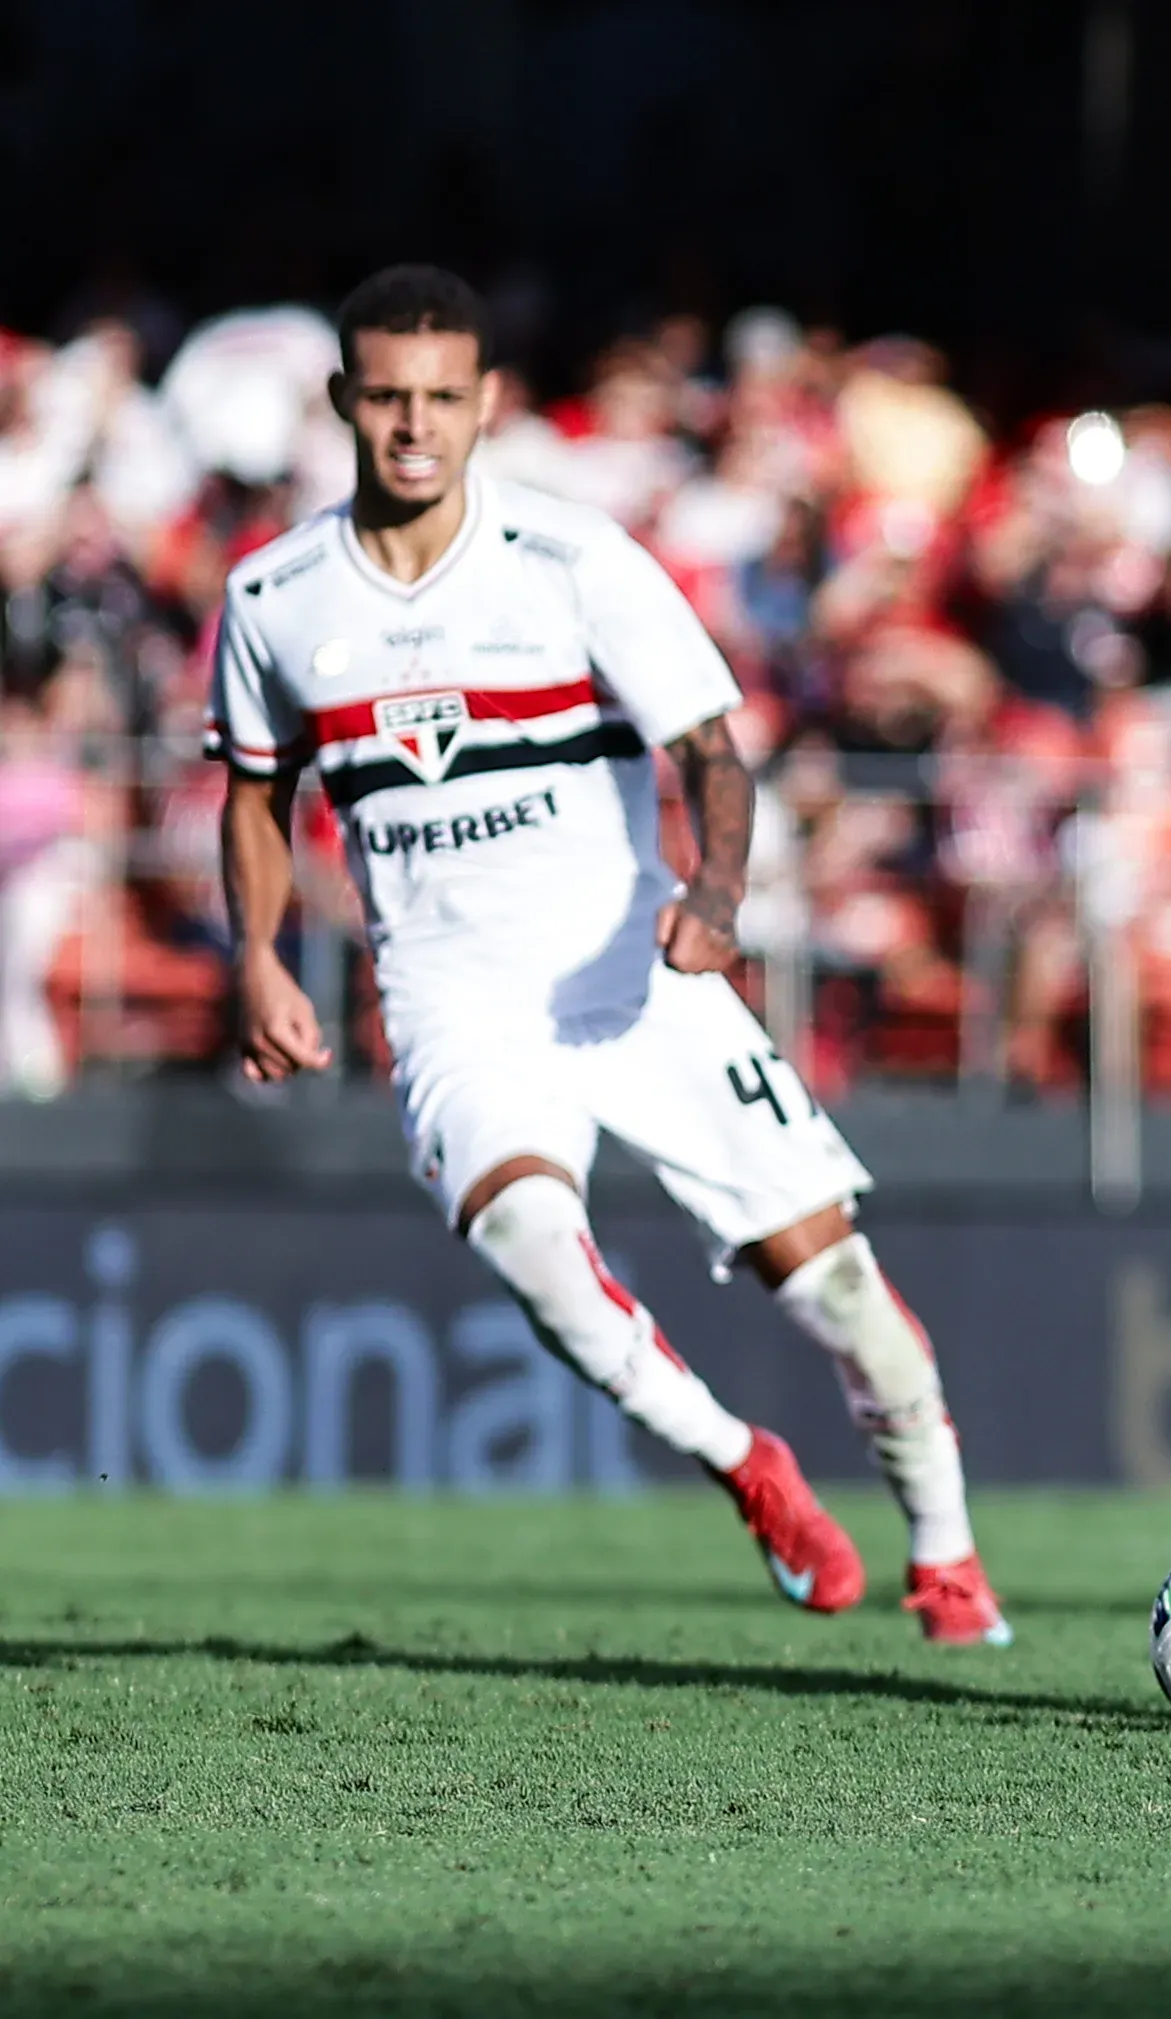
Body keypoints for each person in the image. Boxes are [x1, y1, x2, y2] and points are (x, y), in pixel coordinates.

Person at [213, 266, 1009, 1645]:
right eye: (388, 398)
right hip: (452, 994)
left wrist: (714, 890)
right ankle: (744, 1463)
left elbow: (710, 745)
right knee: (530, 1237)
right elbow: (252, 794)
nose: (415, 426)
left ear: (488, 404)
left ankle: (945, 1551)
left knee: (837, 1288)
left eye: (442, 399)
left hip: (632, 971)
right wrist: (261, 959)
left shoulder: (572, 554)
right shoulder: (275, 596)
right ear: (345, 401)